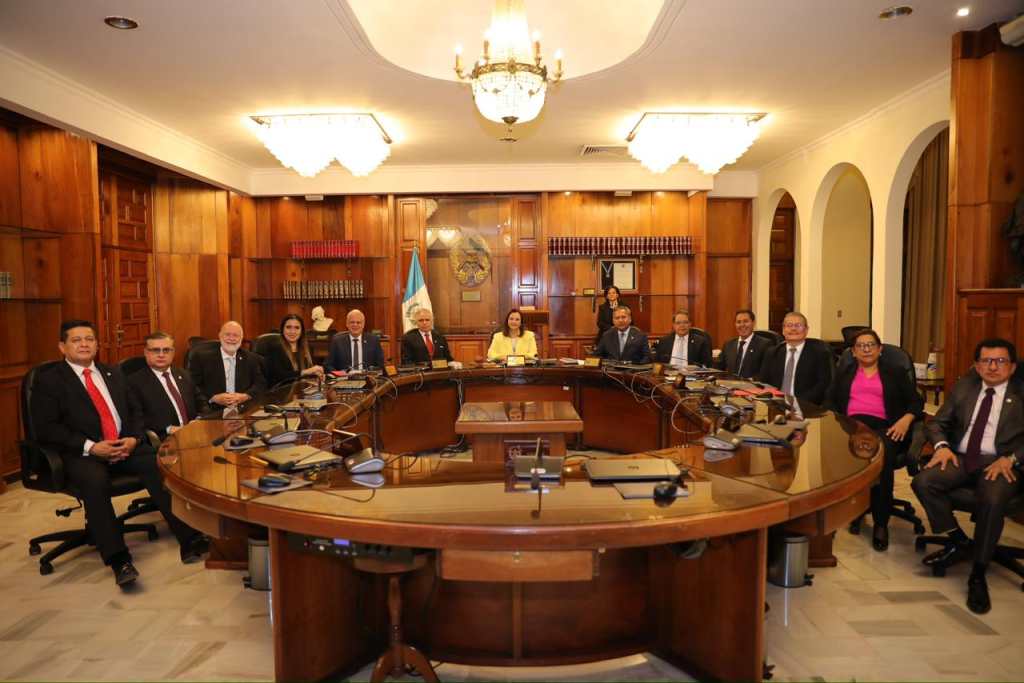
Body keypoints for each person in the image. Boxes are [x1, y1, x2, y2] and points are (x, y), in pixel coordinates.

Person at [30, 320, 208, 587]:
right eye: (76, 340)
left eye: (89, 339)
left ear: (97, 345)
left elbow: (135, 411)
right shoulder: (48, 381)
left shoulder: (112, 373)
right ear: (62, 347)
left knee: (160, 462)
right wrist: (91, 446)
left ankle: (190, 538)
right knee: (95, 480)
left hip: (122, 445)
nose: (84, 344)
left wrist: (133, 439)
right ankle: (119, 560)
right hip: (81, 453)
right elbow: (47, 428)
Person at [911, 338, 1024, 615]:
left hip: (1001, 462)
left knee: (992, 498)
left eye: (1000, 361)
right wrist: (942, 446)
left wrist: (1011, 459)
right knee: (923, 482)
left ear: (1012, 367)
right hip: (961, 458)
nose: (993, 367)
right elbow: (937, 423)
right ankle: (960, 541)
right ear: (976, 365)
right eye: (986, 361)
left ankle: (978, 573)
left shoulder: (1021, 392)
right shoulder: (965, 387)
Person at [825, 329, 923, 552]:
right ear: (853, 352)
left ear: (880, 349)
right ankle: (838, 515)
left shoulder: (895, 372)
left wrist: (906, 420)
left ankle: (881, 523)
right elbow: (830, 400)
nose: (866, 349)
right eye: (861, 346)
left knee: (881, 457)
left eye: (871, 345)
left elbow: (916, 402)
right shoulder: (845, 372)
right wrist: (835, 422)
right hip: (852, 426)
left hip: (887, 428)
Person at [126, 331, 204, 439]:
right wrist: (167, 428)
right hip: (165, 438)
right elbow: (137, 419)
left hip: (194, 433)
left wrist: (199, 420)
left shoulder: (184, 374)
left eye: (166, 350)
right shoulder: (134, 383)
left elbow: (201, 402)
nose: (161, 355)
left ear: (173, 352)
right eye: (155, 350)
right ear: (146, 352)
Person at [759, 311, 834, 404]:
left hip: (807, 405)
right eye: (789, 325)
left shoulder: (819, 353)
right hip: (776, 404)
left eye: (798, 325)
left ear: (806, 330)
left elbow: (823, 384)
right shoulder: (772, 353)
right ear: (783, 330)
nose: (793, 329)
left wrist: (799, 403)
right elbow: (764, 382)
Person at [189, 320, 266, 407]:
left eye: (236, 335)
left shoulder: (251, 358)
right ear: (220, 336)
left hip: (242, 406)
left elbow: (260, 383)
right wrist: (213, 398)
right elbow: (193, 384)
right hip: (213, 408)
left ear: (241, 338)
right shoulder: (202, 358)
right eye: (227, 334)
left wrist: (245, 396)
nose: (231, 338)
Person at [263, 314, 325, 386]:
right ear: (282, 329)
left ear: (302, 331)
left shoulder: (307, 349)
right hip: (281, 391)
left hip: (303, 389)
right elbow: (278, 377)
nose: (292, 331)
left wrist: (317, 376)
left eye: (297, 328)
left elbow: (310, 373)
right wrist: (306, 372)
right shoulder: (274, 348)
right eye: (288, 327)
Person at [716, 309, 771, 378]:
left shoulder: (764, 345)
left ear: (753, 323)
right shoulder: (728, 344)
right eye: (738, 322)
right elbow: (717, 368)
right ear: (735, 324)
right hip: (729, 383)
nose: (742, 325)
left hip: (751, 384)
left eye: (746, 321)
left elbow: (766, 372)